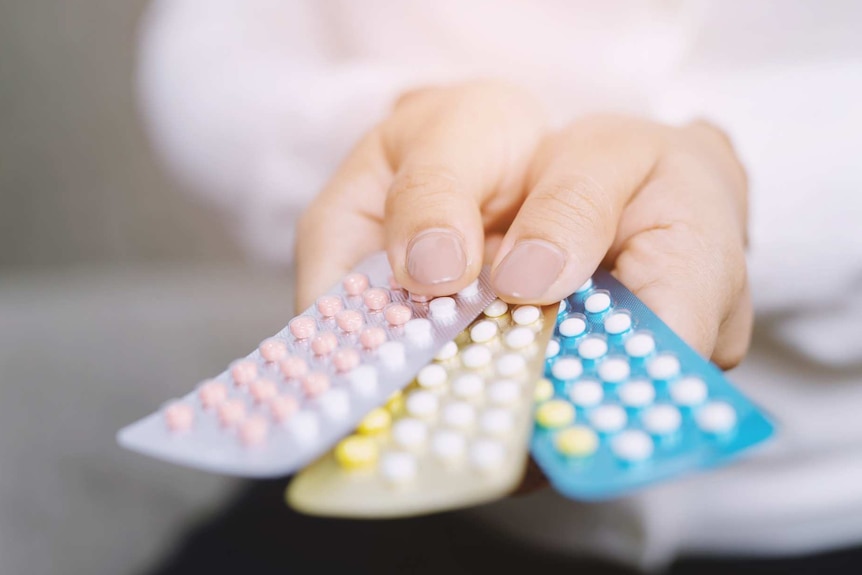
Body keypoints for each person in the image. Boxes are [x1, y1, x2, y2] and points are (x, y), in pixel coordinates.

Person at [138, 0, 862, 570]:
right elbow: (216, 33)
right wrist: (373, 132)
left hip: (819, 504)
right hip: (393, 474)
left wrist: (747, 179)